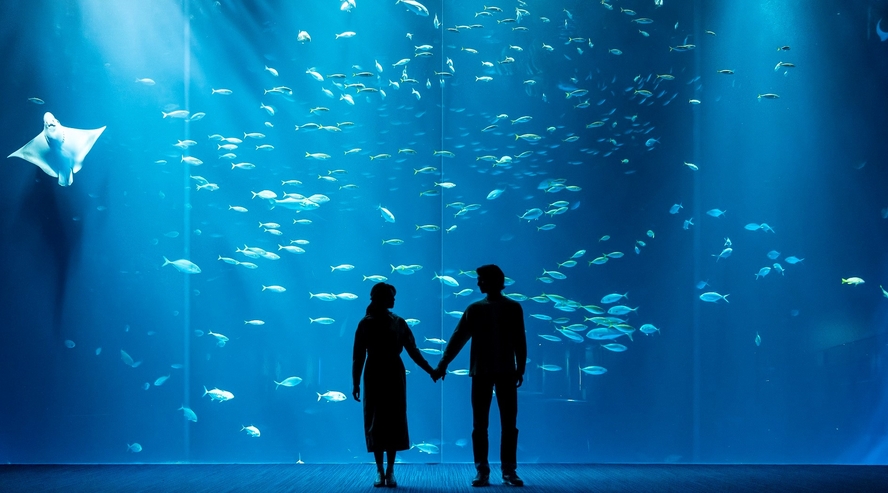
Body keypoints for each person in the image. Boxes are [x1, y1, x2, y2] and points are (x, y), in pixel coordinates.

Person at [433, 264, 527, 487]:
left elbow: (518, 341)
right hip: (489, 372)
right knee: (490, 424)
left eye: (481, 279)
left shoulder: (505, 308)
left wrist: (520, 367)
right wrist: (443, 364)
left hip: (495, 371)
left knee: (501, 423)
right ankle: (490, 470)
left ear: (494, 280)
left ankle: (501, 470)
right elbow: (458, 339)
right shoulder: (481, 309)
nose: (478, 283)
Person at [352, 282, 436, 488]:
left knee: (393, 419)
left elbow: (413, 350)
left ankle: (390, 469)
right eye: (391, 295)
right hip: (375, 373)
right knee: (376, 420)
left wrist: (431, 370)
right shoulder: (366, 323)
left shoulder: (399, 322)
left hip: (392, 373)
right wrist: (355, 382)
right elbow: (358, 356)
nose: (394, 299)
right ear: (379, 297)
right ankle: (380, 469)